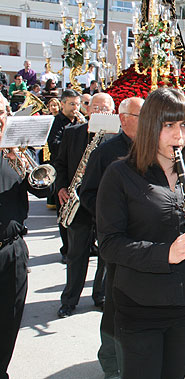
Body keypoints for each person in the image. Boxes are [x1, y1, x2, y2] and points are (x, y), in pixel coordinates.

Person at [96, 88, 185, 379]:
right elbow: (110, 245)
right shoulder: (121, 175)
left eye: (184, 125)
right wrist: (166, 254)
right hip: (140, 307)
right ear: (151, 126)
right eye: (169, 126)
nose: (179, 135)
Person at [79, 97, 144, 379]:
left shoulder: (152, 149)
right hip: (117, 240)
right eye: (144, 116)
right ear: (125, 118)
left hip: (145, 241)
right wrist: (112, 218)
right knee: (115, 305)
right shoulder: (105, 153)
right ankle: (110, 362)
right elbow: (88, 194)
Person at [0, 96, 52, 379]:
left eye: (6, 111)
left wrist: (23, 160)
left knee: (9, 319)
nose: (3, 117)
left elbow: (43, 190)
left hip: (12, 250)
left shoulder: (16, 149)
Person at [55, 93, 115, 318]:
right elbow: (60, 164)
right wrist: (61, 187)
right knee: (76, 255)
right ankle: (69, 300)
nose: (99, 111)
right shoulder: (72, 133)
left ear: (112, 112)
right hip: (77, 203)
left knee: (106, 256)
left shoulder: (117, 138)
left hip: (105, 204)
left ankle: (100, 295)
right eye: (95, 106)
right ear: (88, 109)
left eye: (105, 108)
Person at [47, 90, 84, 262]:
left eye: (77, 104)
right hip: (63, 172)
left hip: (79, 172)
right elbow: (54, 145)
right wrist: (73, 142)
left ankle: (85, 247)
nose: (75, 108)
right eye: (71, 104)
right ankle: (66, 250)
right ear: (62, 104)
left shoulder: (80, 120)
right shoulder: (57, 122)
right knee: (64, 213)